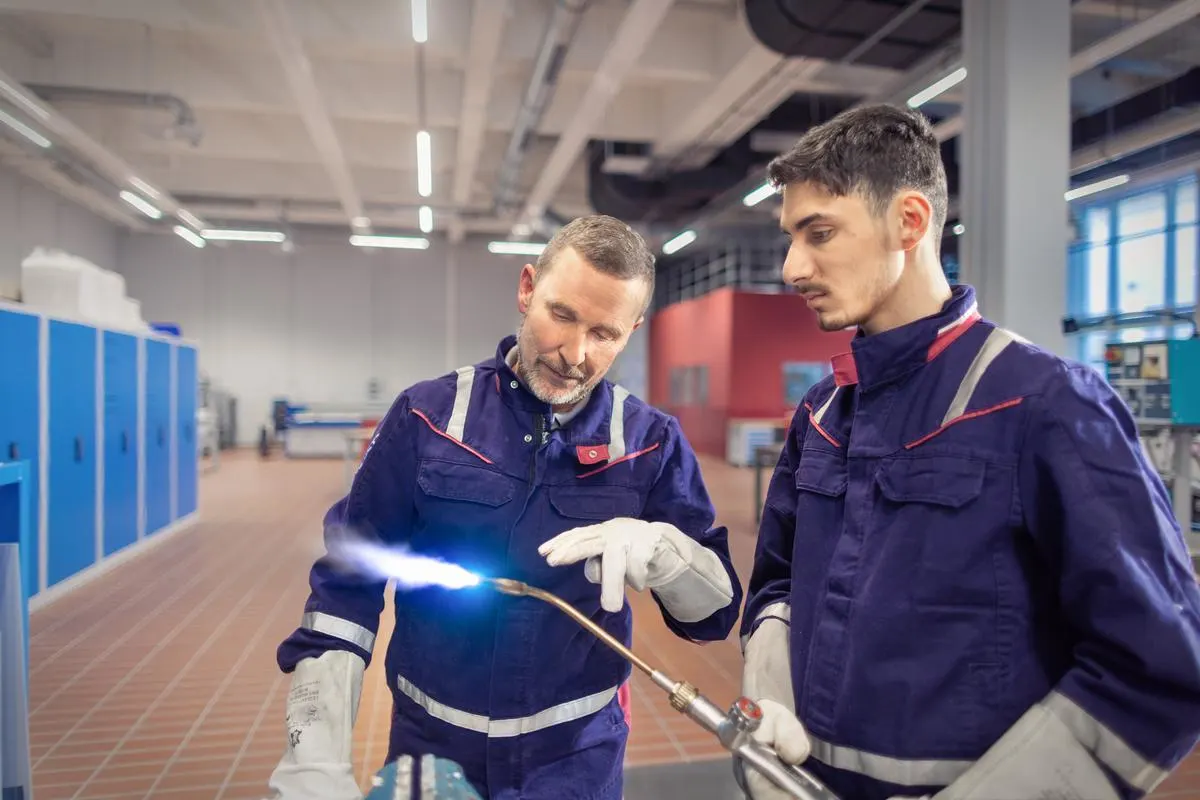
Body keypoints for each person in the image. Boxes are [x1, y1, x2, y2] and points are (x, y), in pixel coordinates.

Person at [737, 103, 1200, 800]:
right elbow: (776, 584)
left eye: (820, 233)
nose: (792, 265)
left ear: (910, 221)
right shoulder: (823, 415)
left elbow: (1161, 664)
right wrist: (773, 721)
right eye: (790, 236)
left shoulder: (1045, 404)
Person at [264, 214, 743, 800]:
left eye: (605, 334)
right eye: (561, 315)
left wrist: (670, 558)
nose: (574, 353)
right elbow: (347, 584)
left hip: (575, 763)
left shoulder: (649, 442)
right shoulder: (427, 417)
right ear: (526, 289)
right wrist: (313, 749)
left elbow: (713, 616)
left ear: (632, 331)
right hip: (433, 752)